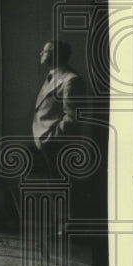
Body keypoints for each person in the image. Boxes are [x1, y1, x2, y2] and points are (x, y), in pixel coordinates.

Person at [32, 40, 85, 179]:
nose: (41, 53)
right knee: (54, 191)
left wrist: (50, 140)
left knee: (61, 191)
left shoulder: (71, 80)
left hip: (57, 147)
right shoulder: (52, 76)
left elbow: (72, 118)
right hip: (46, 146)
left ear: (55, 54)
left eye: (45, 50)